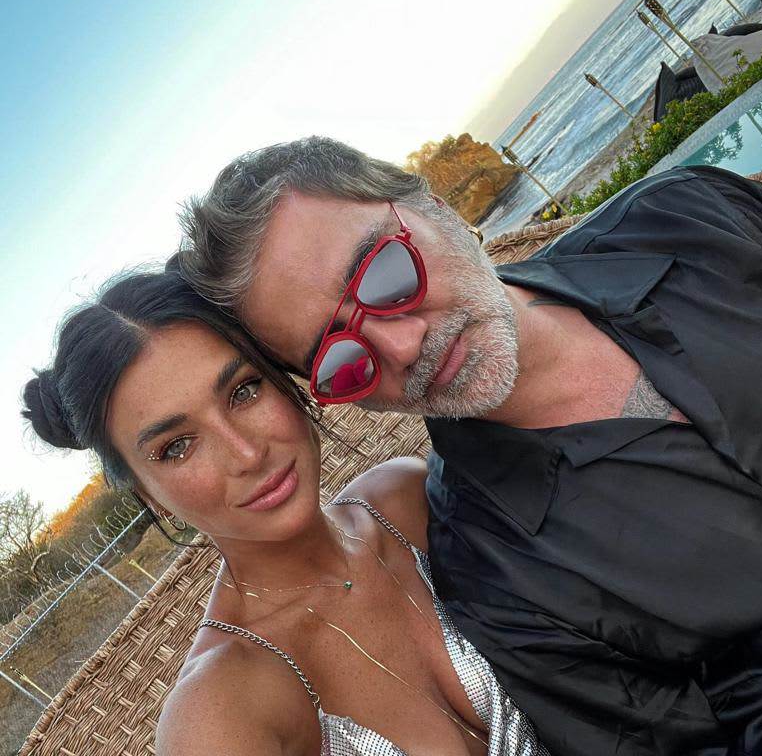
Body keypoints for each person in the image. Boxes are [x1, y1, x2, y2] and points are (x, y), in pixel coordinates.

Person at [177, 136, 762, 756]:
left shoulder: (688, 218)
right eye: (340, 360)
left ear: (433, 205)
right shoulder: (497, 576)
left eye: (385, 273)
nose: (401, 347)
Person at [21, 268, 548, 756]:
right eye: (177, 446)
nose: (247, 453)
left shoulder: (409, 496)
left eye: (244, 391)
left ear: (282, 378)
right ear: (149, 495)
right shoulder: (220, 714)